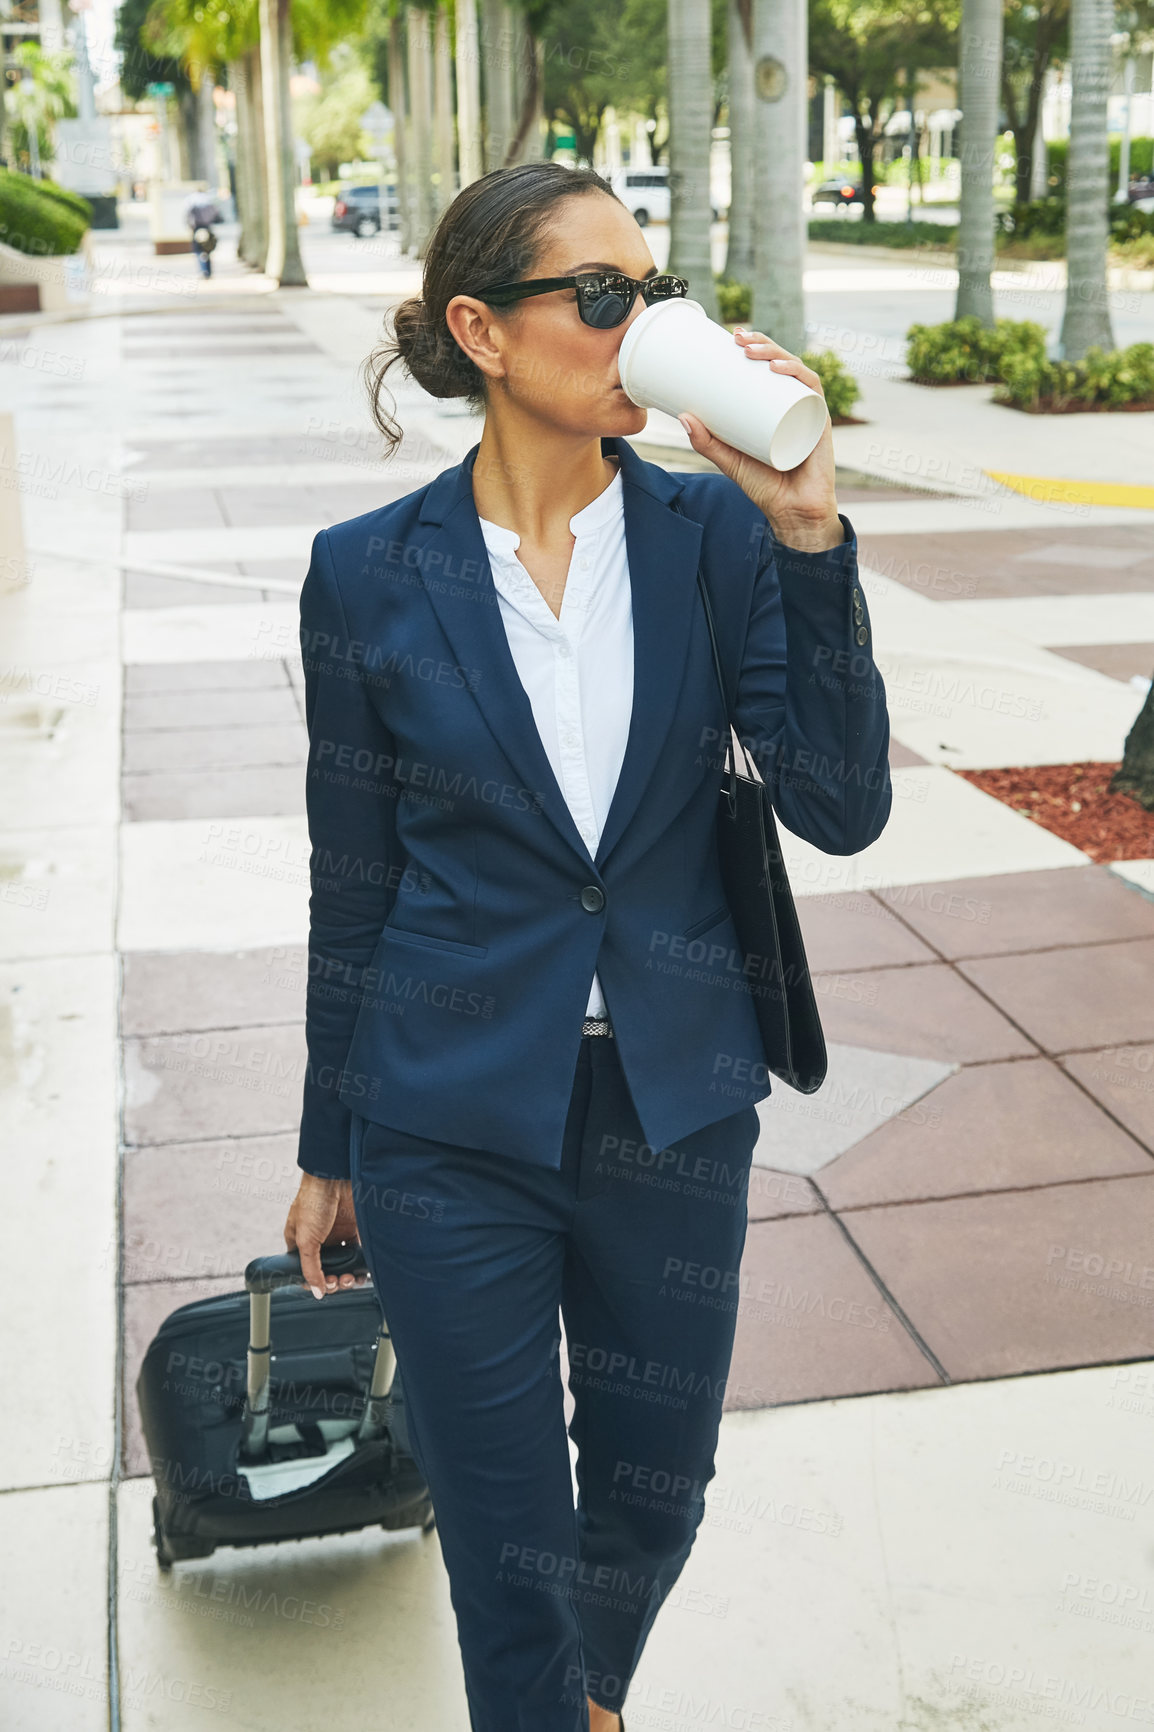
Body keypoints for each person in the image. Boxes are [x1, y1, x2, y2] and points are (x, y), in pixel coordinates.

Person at [283, 162, 891, 1732]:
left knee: (653, 1487)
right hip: (444, 1121)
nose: (643, 323)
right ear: (484, 331)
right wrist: (327, 1142)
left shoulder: (712, 540)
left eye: (656, 292)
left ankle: (581, 1705)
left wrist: (810, 534)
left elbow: (837, 807)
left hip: (669, 1107)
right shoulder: (366, 572)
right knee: (505, 1537)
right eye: (603, 295)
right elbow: (352, 878)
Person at [183, 188, 220, 277]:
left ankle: (203, 270)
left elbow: (189, 217)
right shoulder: (208, 201)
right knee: (207, 250)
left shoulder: (191, 201)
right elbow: (216, 215)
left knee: (199, 251)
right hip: (207, 227)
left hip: (197, 228)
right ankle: (208, 270)